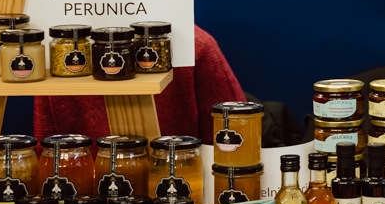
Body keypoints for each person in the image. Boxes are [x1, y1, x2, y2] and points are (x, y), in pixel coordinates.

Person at [34, 24, 246, 144]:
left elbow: (235, 130)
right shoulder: (55, 56)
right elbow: (44, 147)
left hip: (187, 202)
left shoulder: (196, 46)